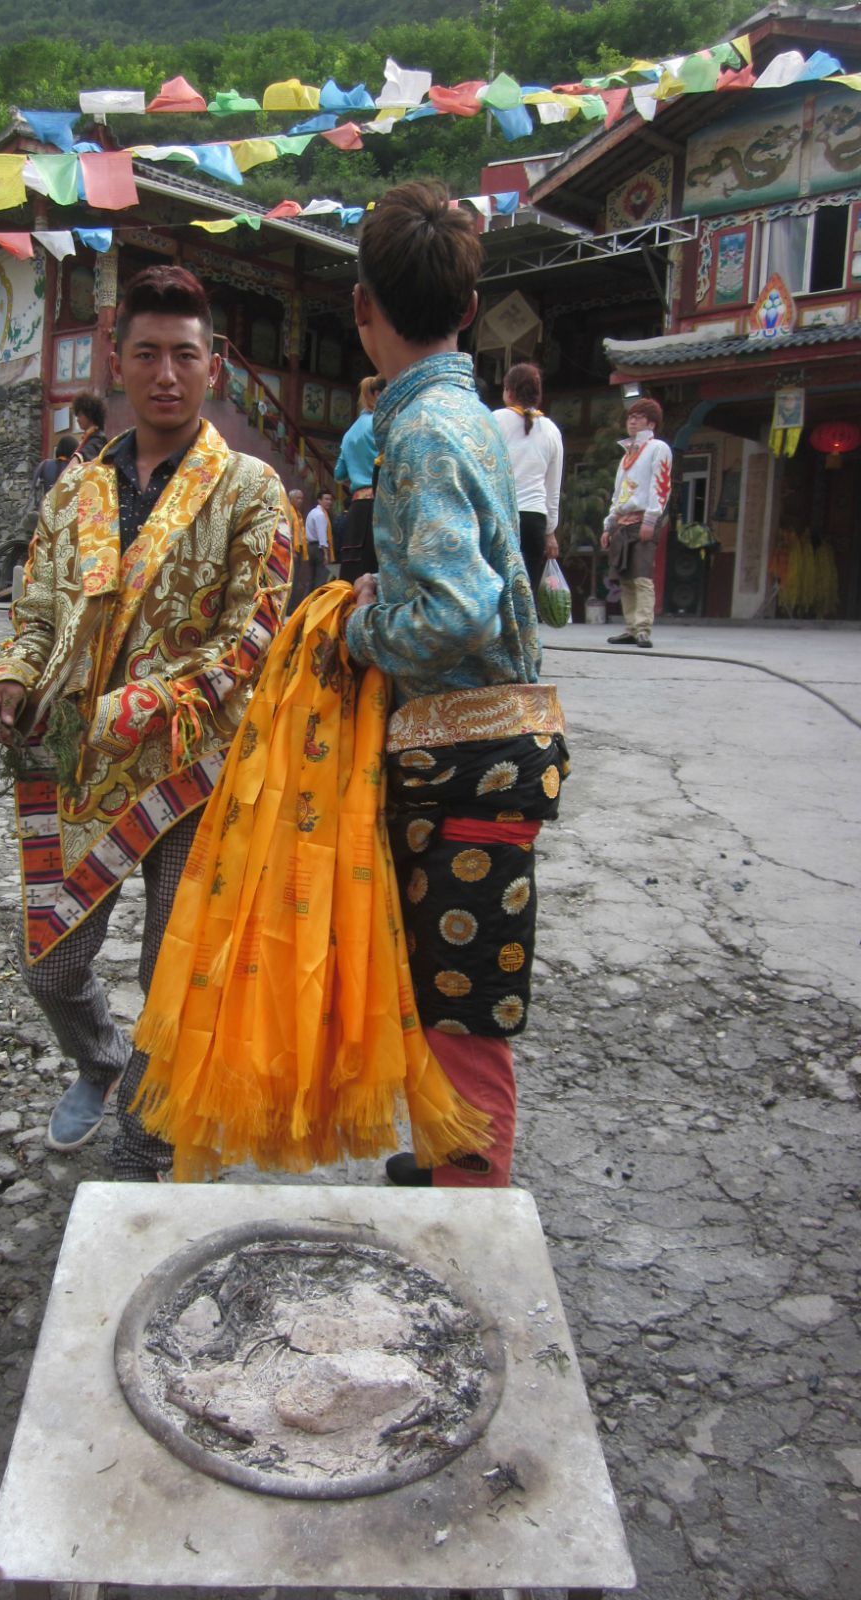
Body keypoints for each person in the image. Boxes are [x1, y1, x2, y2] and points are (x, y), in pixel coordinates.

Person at [0, 265, 292, 1180]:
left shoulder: (253, 493)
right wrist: (8, 682)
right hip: (81, 769)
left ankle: (147, 1140)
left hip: (198, 774)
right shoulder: (76, 491)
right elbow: (35, 615)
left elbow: (246, 650)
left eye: (183, 356)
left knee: (173, 974)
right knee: (51, 968)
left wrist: (119, 711)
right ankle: (99, 1058)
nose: (165, 375)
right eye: (145, 353)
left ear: (214, 366)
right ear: (116, 360)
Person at [345, 180, 568, 1190]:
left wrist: (357, 628)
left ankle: (472, 1206)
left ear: (361, 307)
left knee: (465, 995)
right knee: (446, 979)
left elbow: (453, 610)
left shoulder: (424, 433)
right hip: (483, 755)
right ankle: (447, 1161)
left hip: (466, 760)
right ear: (470, 311)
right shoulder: (467, 415)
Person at [602, 397, 672, 649]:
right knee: (626, 577)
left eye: (639, 417)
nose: (632, 420)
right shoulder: (627, 456)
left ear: (651, 423)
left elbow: (660, 486)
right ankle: (631, 627)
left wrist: (651, 519)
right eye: (630, 416)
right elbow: (618, 493)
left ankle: (643, 628)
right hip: (623, 521)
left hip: (643, 519)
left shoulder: (658, 448)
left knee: (642, 575)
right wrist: (609, 524)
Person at [492, 363, 563, 597]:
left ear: (508, 391)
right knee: (523, 597)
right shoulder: (552, 430)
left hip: (499, 517)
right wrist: (550, 530)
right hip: (534, 520)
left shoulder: (494, 421)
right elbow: (553, 488)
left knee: (495, 593)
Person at [335, 375, 383, 585]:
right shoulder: (380, 425)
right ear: (377, 394)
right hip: (379, 506)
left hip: (356, 509)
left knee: (352, 574)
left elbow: (339, 474)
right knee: (375, 574)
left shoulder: (350, 432)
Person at [32, 432, 81, 505]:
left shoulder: (44, 465)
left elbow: (34, 488)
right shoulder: (76, 468)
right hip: (68, 511)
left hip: (47, 509)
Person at [303, 489, 335, 594]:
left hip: (310, 547)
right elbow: (322, 535)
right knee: (320, 578)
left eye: (330, 499)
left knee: (311, 578)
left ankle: (307, 602)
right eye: (326, 499)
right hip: (318, 548)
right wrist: (326, 554)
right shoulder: (321, 515)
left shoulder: (312, 512)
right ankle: (317, 602)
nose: (329, 502)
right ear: (319, 500)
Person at [71, 391, 108, 463]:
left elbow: (85, 455)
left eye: (80, 415)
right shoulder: (89, 436)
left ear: (90, 414)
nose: (77, 419)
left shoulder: (98, 438)